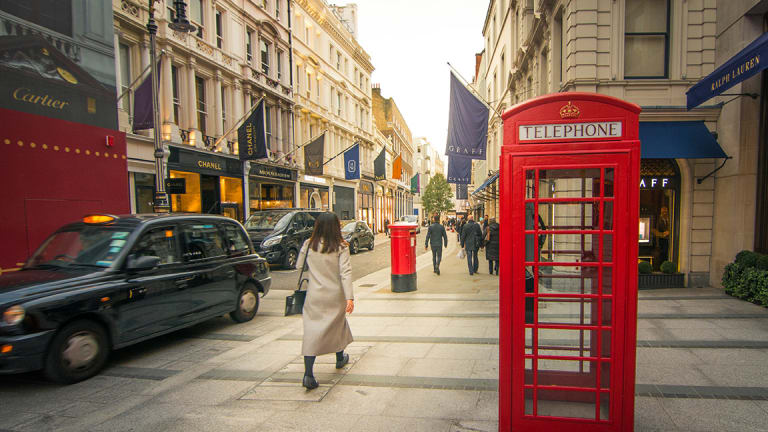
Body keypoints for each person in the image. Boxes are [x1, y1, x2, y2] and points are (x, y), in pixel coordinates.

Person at [296, 212, 355, 390]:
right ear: (335, 227)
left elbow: (299, 266)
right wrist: (349, 297)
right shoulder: (341, 246)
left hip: (314, 295)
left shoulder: (308, 244)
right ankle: (339, 358)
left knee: (312, 331)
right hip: (334, 295)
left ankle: (308, 374)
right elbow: (345, 273)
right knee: (337, 324)